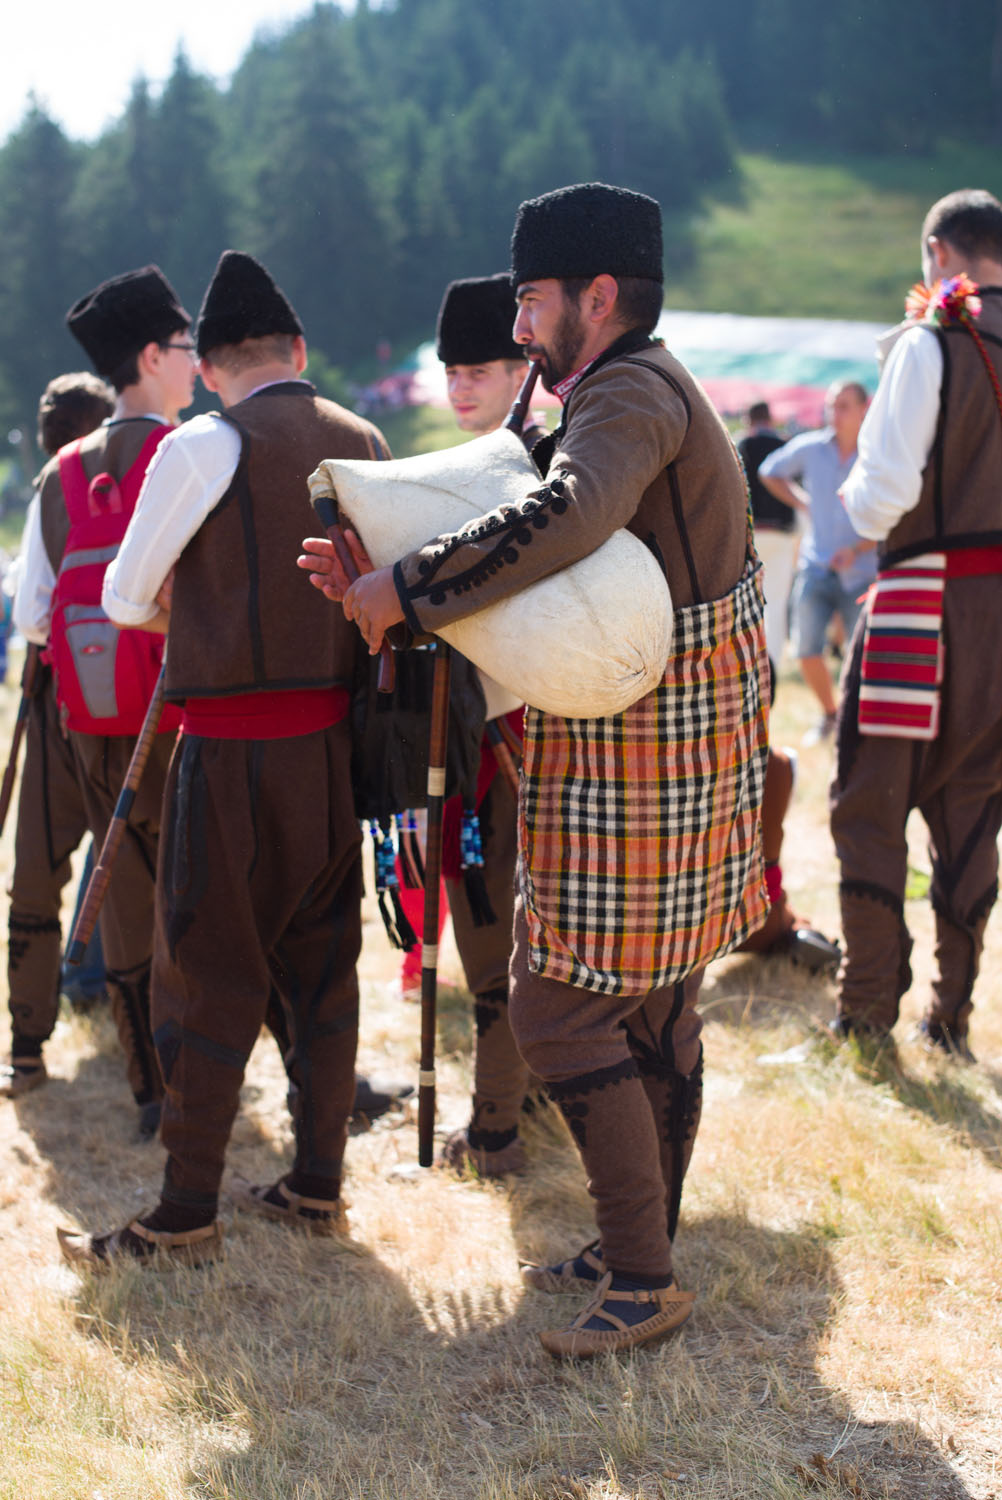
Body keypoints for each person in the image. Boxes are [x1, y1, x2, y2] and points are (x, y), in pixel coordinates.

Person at [302, 183, 769, 1357]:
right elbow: (534, 525)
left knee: (557, 1011)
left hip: (651, 740)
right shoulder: (624, 390)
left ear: (596, 298)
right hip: (660, 731)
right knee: (654, 1004)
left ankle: (645, 1276)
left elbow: (560, 520)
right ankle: (632, 1249)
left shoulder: (626, 395)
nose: (519, 328)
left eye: (531, 301)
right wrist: (388, 584)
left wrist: (400, 591)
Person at [59, 250, 391, 1268]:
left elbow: (121, 599)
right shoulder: (365, 437)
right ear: (299, 351)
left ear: (209, 367)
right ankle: (317, 1186)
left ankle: (185, 1213)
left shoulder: (203, 444)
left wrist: (188, 604)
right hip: (338, 756)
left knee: (203, 974)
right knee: (324, 970)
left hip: (233, 756)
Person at [5, 272, 195, 1136]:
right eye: (188, 349)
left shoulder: (62, 472)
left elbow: (37, 617)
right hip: (186, 721)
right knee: (194, 903)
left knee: (111, 900)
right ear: (153, 357)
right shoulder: (198, 456)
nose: (197, 364)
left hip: (84, 718)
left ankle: (137, 1086)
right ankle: (202, 1082)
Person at [829, 189, 1002, 1061]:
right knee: (976, 807)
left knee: (871, 801)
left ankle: (865, 1013)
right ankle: (952, 1019)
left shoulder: (933, 340)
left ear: (939, 254)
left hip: (921, 602)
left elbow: (880, 499)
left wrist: (853, 498)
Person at [432, 272, 546, 1176]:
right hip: (485, 731)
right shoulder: (481, 466)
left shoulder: (539, 467)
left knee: (494, 933)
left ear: (522, 371)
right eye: (452, 371)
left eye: (481, 368)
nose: (461, 385)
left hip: (520, 738)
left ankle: (497, 1127)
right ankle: (520, 1100)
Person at [1, 374, 113, 1105]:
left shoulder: (54, 484)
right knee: (138, 879)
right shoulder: (149, 470)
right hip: (138, 711)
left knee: (37, 877)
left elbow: (34, 615)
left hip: (57, 701)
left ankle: (26, 1049)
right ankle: (150, 1057)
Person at [758, 382, 874, 744]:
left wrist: (857, 549)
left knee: (864, 659)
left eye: (842, 407)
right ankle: (830, 714)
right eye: (830, 406)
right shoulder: (811, 449)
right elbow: (769, 471)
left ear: (864, 410)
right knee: (806, 649)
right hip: (817, 565)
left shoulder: (878, 454)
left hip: (864, 573)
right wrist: (802, 501)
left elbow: (897, 513)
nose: (833, 414)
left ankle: (854, 725)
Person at [737, 401, 793, 672]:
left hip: (753, 534)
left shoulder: (742, 445)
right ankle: (774, 663)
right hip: (781, 533)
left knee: (750, 601)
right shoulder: (785, 445)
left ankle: (752, 659)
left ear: (749, 418)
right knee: (777, 601)